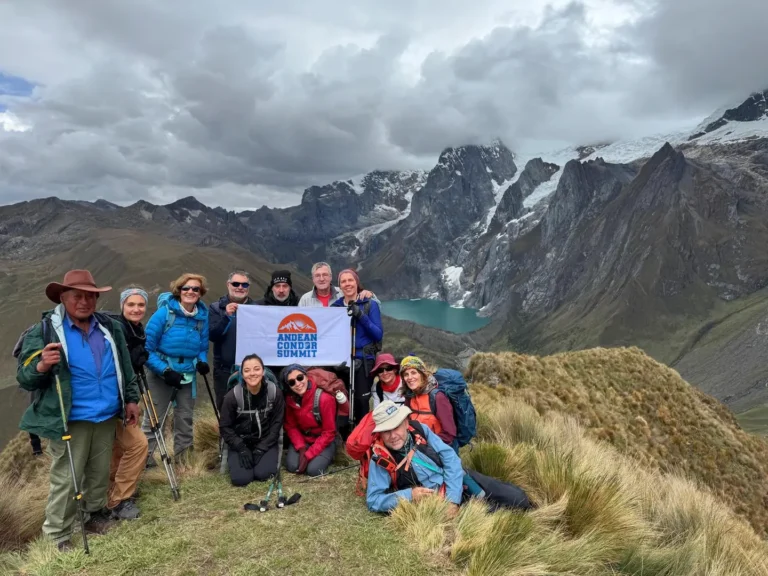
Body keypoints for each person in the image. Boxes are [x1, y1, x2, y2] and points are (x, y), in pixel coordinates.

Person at [15, 269, 140, 551]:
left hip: (106, 414)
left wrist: (130, 399)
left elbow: (125, 368)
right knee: (67, 477)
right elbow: (24, 377)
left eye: (90, 296)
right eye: (77, 296)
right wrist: (42, 365)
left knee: (98, 472)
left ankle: (93, 516)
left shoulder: (110, 328)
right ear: (63, 298)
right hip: (70, 418)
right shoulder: (44, 331)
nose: (84, 302)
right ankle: (57, 534)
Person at [366, 401, 532, 515]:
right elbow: (374, 500)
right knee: (497, 515)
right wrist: (411, 495)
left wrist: (453, 499)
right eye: (386, 430)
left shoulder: (419, 430)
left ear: (405, 423)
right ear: (380, 432)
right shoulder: (381, 459)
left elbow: (449, 457)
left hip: (460, 478)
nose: (393, 435)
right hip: (438, 500)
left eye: (396, 427)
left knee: (519, 499)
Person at [143, 273, 209, 465]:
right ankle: (142, 462)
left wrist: (202, 362)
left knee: (185, 419)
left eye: (195, 289)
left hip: (187, 375)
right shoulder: (164, 314)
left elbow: (202, 348)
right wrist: (164, 371)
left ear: (200, 293)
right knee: (154, 420)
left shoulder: (201, 318)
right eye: (186, 288)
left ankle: (184, 462)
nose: (190, 292)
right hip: (161, 374)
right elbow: (147, 350)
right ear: (178, 291)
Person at [106, 286, 151, 520]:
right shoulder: (116, 330)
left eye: (140, 305)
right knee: (138, 444)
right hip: (115, 400)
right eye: (131, 304)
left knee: (118, 447)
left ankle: (113, 492)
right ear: (122, 306)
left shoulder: (134, 330)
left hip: (121, 399)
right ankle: (120, 499)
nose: (136, 309)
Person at [219, 354, 285, 486]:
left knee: (264, 474)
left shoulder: (275, 393)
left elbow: (277, 423)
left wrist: (262, 447)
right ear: (242, 374)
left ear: (263, 371)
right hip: (240, 442)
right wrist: (240, 447)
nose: (252, 374)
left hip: (265, 441)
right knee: (241, 479)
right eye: (247, 370)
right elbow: (225, 427)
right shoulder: (232, 397)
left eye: (256, 369)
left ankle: (262, 459)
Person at [331, 269, 383, 421]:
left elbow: (377, 334)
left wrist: (361, 316)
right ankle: (344, 434)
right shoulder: (335, 308)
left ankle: (361, 435)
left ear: (356, 282)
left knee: (361, 400)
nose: (347, 284)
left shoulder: (369, 305)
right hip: (343, 360)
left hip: (365, 359)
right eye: (343, 281)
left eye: (350, 280)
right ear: (339, 286)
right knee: (342, 397)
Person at [209, 270, 255, 410]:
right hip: (224, 371)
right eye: (236, 284)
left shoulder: (257, 308)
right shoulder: (216, 308)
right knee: (225, 411)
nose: (240, 287)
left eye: (244, 285)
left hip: (252, 371)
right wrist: (227, 316)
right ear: (228, 284)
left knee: (251, 410)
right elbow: (212, 335)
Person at [282, 364, 338, 477]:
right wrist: (301, 448)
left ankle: (330, 454)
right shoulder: (290, 399)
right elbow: (290, 426)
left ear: (306, 376)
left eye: (300, 378)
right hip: (304, 438)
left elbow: (329, 432)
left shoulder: (325, 399)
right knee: (292, 466)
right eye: (292, 382)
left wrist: (309, 455)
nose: (298, 384)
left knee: (313, 470)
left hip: (324, 439)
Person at [399, 356, 457, 448]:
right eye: (406, 374)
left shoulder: (437, 397)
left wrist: (425, 444)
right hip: (416, 447)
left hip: (438, 449)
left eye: (414, 372)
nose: (410, 377)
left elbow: (449, 434)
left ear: (422, 374)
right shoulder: (409, 397)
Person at [299, 262, 376, 307]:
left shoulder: (344, 292)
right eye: (317, 276)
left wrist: (369, 294)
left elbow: (371, 306)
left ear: (330, 277)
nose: (321, 279)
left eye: (325, 275)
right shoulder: (305, 300)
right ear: (313, 279)